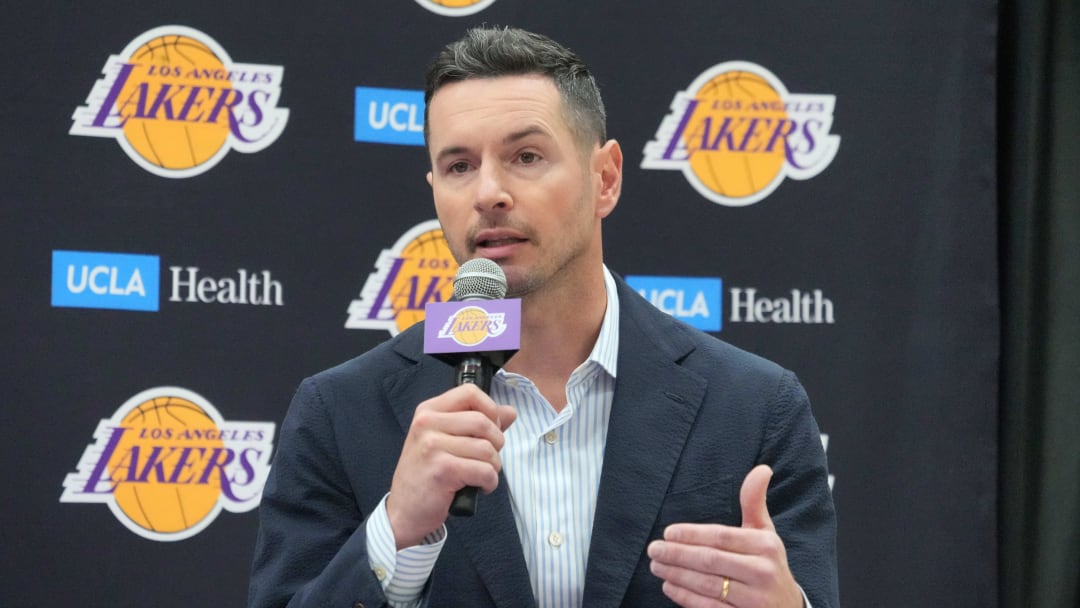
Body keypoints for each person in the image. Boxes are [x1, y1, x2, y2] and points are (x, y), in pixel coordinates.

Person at [248, 26, 838, 608]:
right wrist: (395, 528)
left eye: (525, 156)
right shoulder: (340, 414)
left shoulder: (758, 408)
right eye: (458, 166)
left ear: (604, 178)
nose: (488, 192)